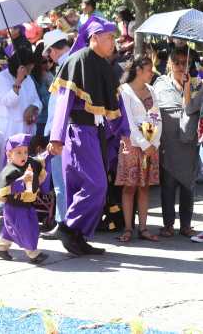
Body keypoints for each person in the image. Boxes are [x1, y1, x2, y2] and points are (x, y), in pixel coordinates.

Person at [47, 17, 130, 255]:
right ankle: (68, 226)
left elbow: (116, 104)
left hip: (96, 132)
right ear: (93, 38)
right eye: (108, 38)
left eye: (114, 38)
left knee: (85, 186)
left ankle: (77, 237)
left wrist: (123, 132)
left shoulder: (104, 65)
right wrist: (57, 137)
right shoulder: (78, 60)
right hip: (78, 133)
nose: (113, 42)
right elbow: (64, 102)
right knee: (97, 185)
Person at [154, 46, 203, 238]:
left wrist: (188, 87)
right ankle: (168, 224)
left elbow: (191, 109)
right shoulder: (160, 83)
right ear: (170, 63)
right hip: (167, 142)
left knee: (188, 185)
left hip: (189, 142)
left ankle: (186, 225)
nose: (182, 66)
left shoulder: (198, 84)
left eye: (186, 62)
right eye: (178, 63)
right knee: (168, 184)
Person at [115, 57, 161, 242]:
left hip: (151, 143)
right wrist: (144, 143)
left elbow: (157, 117)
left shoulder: (152, 90)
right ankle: (127, 228)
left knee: (144, 187)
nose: (152, 73)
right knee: (129, 187)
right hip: (131, 144)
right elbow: (128, 123)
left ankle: (143, 228)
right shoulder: (124, 91)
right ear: (139, 70)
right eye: (149, 69)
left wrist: (154, 143)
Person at [0, 133, 50, 263]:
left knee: (12, 229)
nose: (23, 155)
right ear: (9, 155)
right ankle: (32, 253)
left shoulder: (29, 163)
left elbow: (40, 160)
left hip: (26, 205)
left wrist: (50, 152)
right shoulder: (10, 171)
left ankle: (1, 247)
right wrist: (21, 181)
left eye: (25, 152)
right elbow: (6, 187)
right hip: (15, 207)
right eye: (18, 152)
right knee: (25, 228)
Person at [40, 29, 71, 239]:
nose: (48, 57)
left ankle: (64, 224)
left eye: (48, 52)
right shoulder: (67, 65)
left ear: (53, 50)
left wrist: (53, 135)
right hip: (64, 133)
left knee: (61, 183)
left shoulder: (67, 67)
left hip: (61, 135)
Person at [0, 48, 41, 173]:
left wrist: (33, 108)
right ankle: (5, 192)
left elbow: (37, 100)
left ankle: (25, 192)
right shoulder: (1, 78)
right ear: (20, 67)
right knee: (7, 168)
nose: (29, 73)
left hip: (27, 128)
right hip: (9, 129)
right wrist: (18, 81)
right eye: (28, 69)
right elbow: (8, 102)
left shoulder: (28, 79)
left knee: (27, 168)